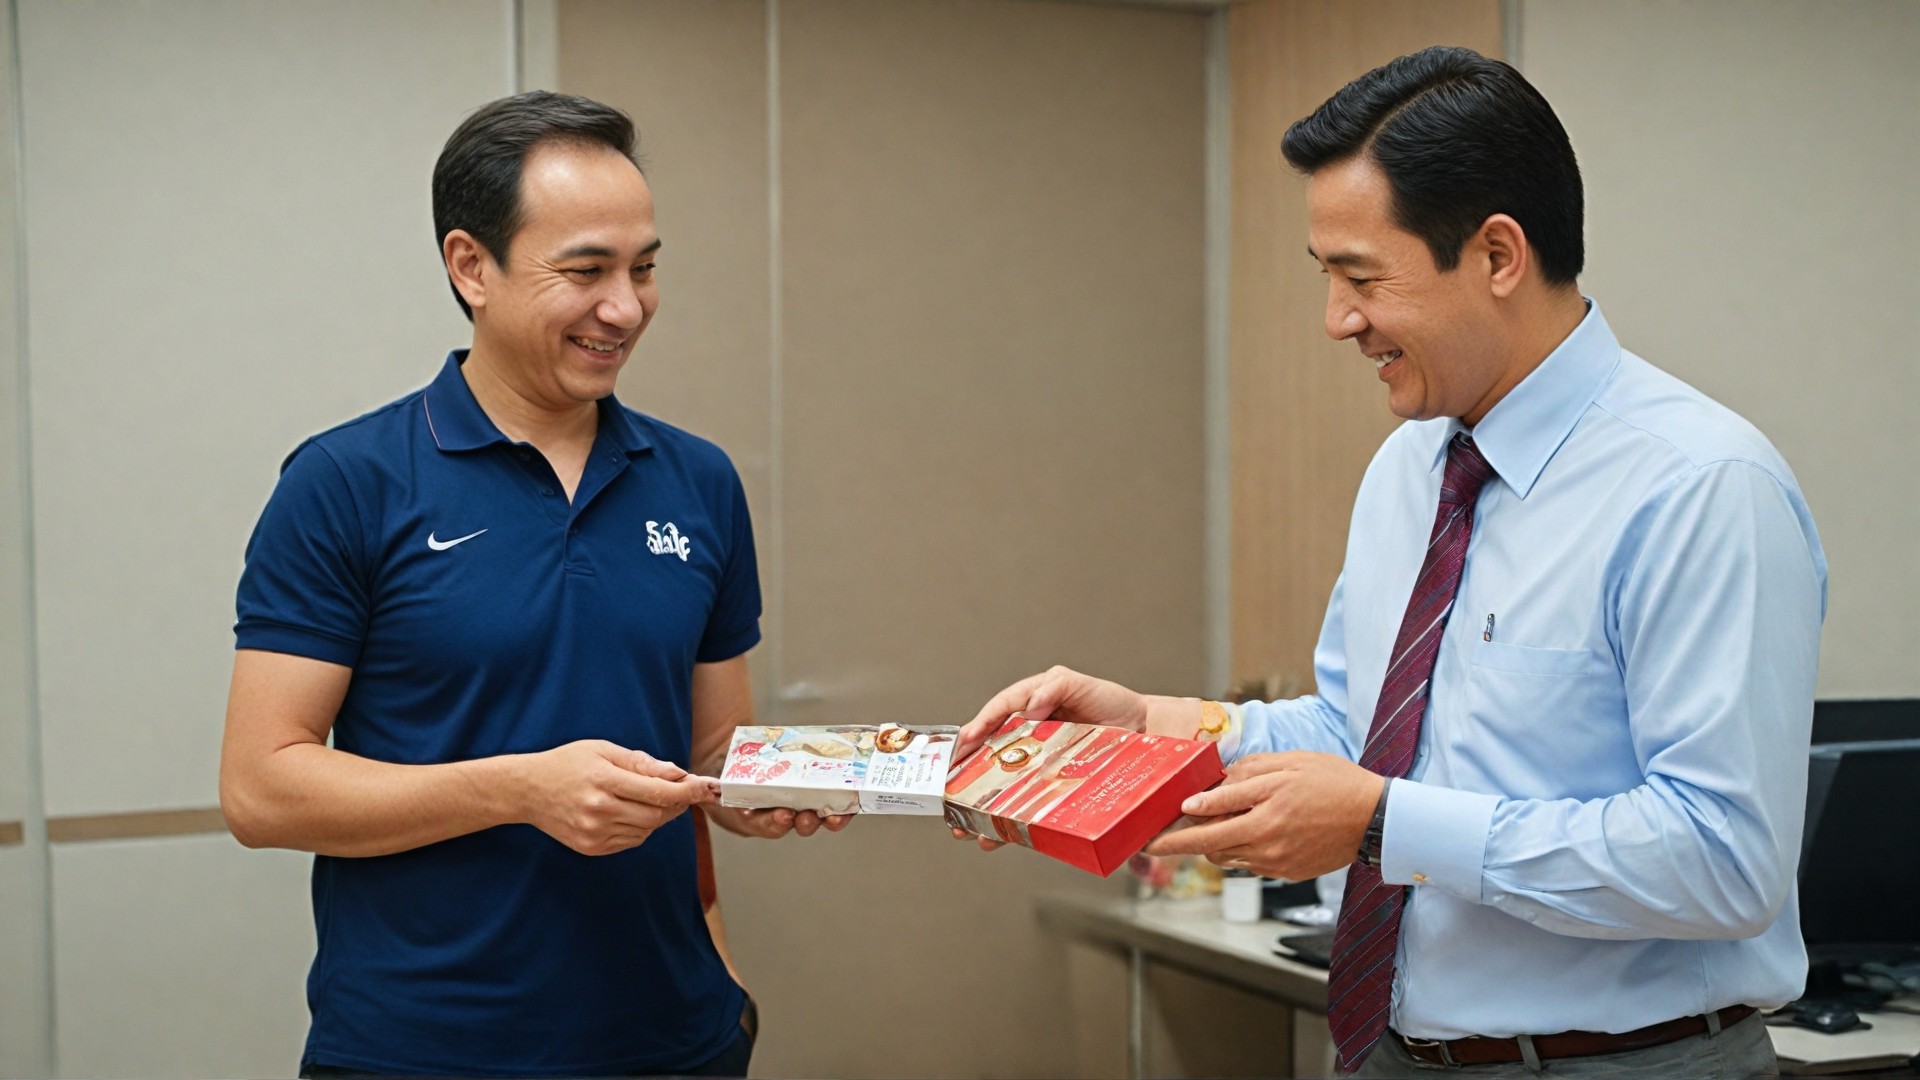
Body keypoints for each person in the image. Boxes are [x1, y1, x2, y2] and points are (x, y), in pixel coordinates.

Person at [960, 47, 1825, 1078]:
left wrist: (1382, 824)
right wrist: (1157, 729)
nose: (1338, 321)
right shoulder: (1412, 466)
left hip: (1621, 1060)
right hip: (1391, 1052)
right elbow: (1355, 732)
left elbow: (1722, 861)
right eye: (1326, 277)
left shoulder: (1699, 487)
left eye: (1362, 278)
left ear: (1498, 255)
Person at [219, 90, 843, 1079]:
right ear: (472, 266)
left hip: (673, 1040)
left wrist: (772, 787)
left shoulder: (700, 481)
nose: (626, 308)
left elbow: (715, 744)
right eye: (586, 272)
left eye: (644, 270)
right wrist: (520, 790)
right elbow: (262, 787)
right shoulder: (350, 482)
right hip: (426, 1048)